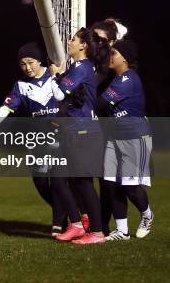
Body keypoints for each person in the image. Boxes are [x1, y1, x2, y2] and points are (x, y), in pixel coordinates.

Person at [0, 42, 66, 236]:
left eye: (31, 62)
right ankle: (67, 210)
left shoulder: (56, 75)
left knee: (57, 180)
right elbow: (7, 107)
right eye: (23, 64)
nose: (27, 68)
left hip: (60, 136)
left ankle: (58, 221)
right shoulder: (21, 85)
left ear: (39, 60)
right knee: (39, 180)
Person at [49, 28, 110, 244]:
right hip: (75, 129)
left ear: (83, 46)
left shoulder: (82, 67)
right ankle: (76, 224)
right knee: (61, 177)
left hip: (84, 131)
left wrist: (54, 75)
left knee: (83, 182)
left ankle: (97, 232)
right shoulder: (78, 68)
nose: (69, 41)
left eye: (73, 39)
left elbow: (58, 94)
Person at [98, 40, 154, 241]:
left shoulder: (128, 79)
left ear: (125, 58)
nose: (109, 56)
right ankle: (122, 231)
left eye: (113, 53)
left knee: (130, 187)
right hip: (115, 137)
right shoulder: (117, 79)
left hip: (134, 136)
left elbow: (101, 104)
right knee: (111, 183)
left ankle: (147, 215)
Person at [91, 18, 128, 235]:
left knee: (110, 180)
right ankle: (98, 224)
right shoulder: (95, 60)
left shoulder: (110, 65)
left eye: (101, 39)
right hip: (96, 126)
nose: (95, 42)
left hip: (112, 127)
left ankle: (107, 226)